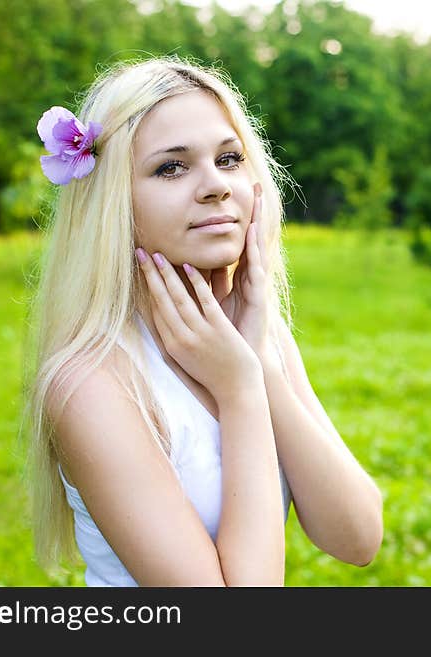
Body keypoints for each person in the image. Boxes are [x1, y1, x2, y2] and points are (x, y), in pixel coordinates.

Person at [22, 57, 383, 586]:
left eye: (230, 158)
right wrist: (239, 391)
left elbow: (356, 537)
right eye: (171, 166)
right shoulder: (92, 383)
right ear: (113, 200)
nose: (215, 185)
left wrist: (259, 363)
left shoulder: (258, 336)